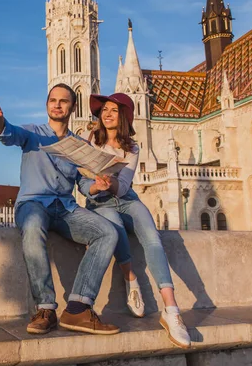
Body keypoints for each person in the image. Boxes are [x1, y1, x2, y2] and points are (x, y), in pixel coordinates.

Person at [0, 83, 124, 336]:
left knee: (107, 232)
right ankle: (45, 308)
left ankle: (79, 307)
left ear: (72, 107)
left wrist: (97, 186)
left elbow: (81, 183)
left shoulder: (79, 145)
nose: (57, 104)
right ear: (47, 105)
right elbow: (9, 134)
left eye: (64, 101)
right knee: (34, 224)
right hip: (33, 203)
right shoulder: (32, 133)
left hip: (65, 208)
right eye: (53, 100)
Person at [81, 92, 191, 349]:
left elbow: (124, 186)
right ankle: (131, 279)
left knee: (152, 238)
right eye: (104, 109)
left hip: (126, 197)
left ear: (123, 118)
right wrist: (97, 186)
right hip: (100, 201)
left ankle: (171, 310)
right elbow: (83, 181)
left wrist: (112, 182)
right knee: (115, 228)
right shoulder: (90, 141)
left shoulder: (132, 147)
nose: (107, 114)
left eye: (113, 110)